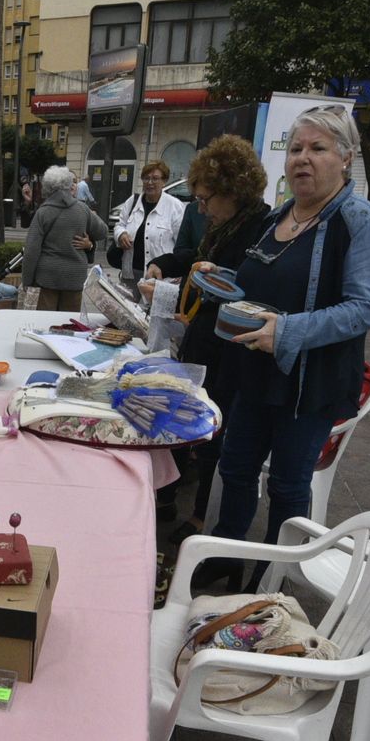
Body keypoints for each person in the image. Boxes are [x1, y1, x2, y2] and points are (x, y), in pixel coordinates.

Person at [199, 105, 370, 590]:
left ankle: (270, 580)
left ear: (345, 158)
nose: (303, 159)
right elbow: (259, 284)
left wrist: (285, 331)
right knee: (236, 467)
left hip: (310, 383)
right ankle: (225, 554)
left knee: (287, 485)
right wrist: (219, 280)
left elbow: (365, 308)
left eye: (318, 149)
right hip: (255, 373)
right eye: (297, 148)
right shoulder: (282, 215)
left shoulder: (360, 221)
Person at [138, 135, 272, 545]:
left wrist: (165, 293)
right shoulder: (224, 224)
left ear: (232, 190)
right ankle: (176, 499)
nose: (200, 207)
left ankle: (201, 518)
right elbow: (195, 258)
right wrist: (162, 263)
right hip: (204, 343)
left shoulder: (259, 227)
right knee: (191, 422)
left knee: (215, 435)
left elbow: (226, 291)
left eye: (205, 198)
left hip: (229, 353)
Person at [22, 166, 108, 312]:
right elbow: (103, 232)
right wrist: (88, 241)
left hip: (47, 277)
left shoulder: (43, 212)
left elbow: (31, 250)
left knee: (46, 323)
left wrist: (27, 280)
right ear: (69, 184)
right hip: (74, 277)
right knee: (67, 322)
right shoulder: (82, 209)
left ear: (47, 187)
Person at [111, 161, 185, 281]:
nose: (150, 183)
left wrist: (180, 271)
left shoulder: (175, 207)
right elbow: (119, 225)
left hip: (161, 277)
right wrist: (121, 234)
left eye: (155, 179)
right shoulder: (132, 202)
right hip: (130, 273)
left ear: (164, 181)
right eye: (146, 178)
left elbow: (182, 244)